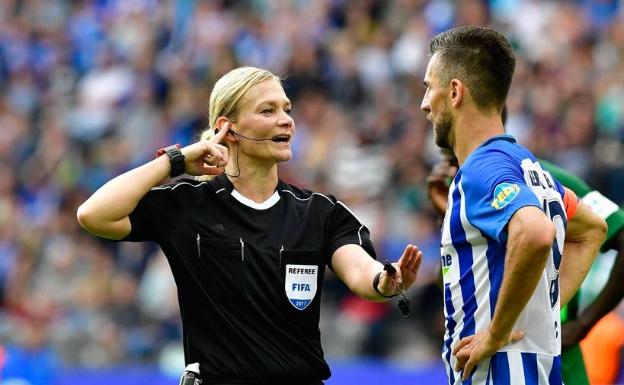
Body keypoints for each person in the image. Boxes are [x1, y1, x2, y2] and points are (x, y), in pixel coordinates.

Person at [76, 66, 423, 385]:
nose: (286, 120)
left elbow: (362, 271)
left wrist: (385, 280)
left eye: (286, 109)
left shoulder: (319, 212)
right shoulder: (187, 205)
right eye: (268, 111)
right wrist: (176, 161)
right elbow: (94, 214)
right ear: (229, 128)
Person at [419, 26, 607, 385]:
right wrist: (530, 315)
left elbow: (536, 232)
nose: (424, 103)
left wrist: (495, 333)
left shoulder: (482, 168)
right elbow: (591, 230)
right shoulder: (532, 169)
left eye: (428, 87)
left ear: (455, 92)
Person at [428, 154, 624, 385]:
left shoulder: (545, 177)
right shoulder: (463, 186)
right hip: (481, 362)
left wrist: (582, 325)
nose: (430, 116)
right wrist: (447, 218)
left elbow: (601, 232)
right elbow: (454, 290)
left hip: (554, 361)